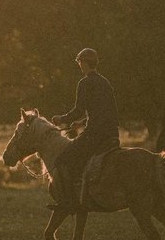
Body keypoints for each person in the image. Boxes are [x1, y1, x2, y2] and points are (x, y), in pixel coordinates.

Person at [50, 48, 120, 211]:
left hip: (95, 135)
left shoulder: (85, 83)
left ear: (84, 62)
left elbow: (78, 109)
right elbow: (104, 111)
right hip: (112, 134)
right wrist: (81, 123)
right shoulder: (105, 82)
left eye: (80, 62)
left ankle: (69, 202)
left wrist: (62, 119)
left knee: (62, 160)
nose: (79, 66)